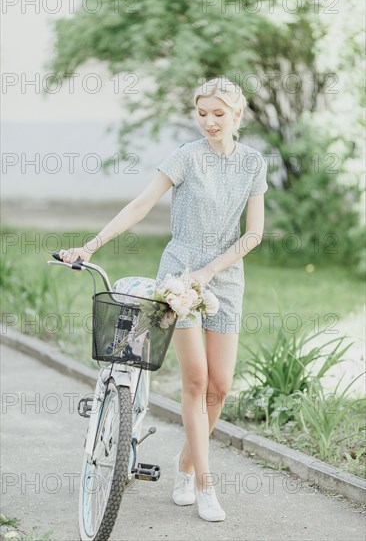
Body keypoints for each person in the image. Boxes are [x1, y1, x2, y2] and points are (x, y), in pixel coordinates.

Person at [60, 75, 268, 522]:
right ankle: (205, 485)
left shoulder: (253, 163)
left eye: (218, 114)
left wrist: (212, 271)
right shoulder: (186, 158)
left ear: (237, 115)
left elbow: (254, 233)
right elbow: (140, 204)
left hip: (226, 280)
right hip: (178, 279)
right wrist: (91, 245)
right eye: (201, 113)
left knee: (221, 387)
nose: (209, 122)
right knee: (196, 383)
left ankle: (185, 466)